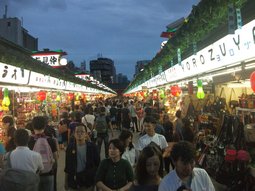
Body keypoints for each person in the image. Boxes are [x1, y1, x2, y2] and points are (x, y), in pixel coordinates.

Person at [65, 124, 100, 191]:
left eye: (82, 132)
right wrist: (65, 182)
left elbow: (97, 166)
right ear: (74, 134)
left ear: (86, 134)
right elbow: (67, 166)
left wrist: (97, 184)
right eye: (77, 132)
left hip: (88, 183)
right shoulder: (70, 148)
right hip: (73, 183)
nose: (79, 134)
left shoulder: (92, 147)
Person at [28, 116, 58, 191]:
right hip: (48, 173)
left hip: (34, 174)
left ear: (32, 126)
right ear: (45, 126)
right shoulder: (51, 140)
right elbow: (55, 159)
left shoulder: (29, 141)